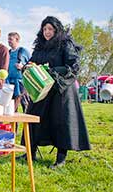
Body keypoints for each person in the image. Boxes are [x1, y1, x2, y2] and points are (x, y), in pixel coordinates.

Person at [18, 16, 91, 169]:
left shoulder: (65, 44)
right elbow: (33, 62)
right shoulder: (40, 46)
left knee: (60, 122)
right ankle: (29, 153)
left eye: (50, 29)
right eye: (44, 29)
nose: (47, 32)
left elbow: (73, 67)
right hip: (42, 89)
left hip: (61, 89)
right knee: (32, 118)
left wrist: (50, 71)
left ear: (57, 30)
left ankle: (60, 159)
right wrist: (28, 67)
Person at [7, 32, 31, 113]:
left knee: (25, 104)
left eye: (10, 39)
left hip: (21, 82)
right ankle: (14, 125)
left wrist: (23, 66)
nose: (8, 41)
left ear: (17, 40)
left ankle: (27, 124)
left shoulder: (23, 51)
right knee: (12, 106)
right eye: (8, 39)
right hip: (9, 82)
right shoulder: (8, 52)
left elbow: (32, 64)